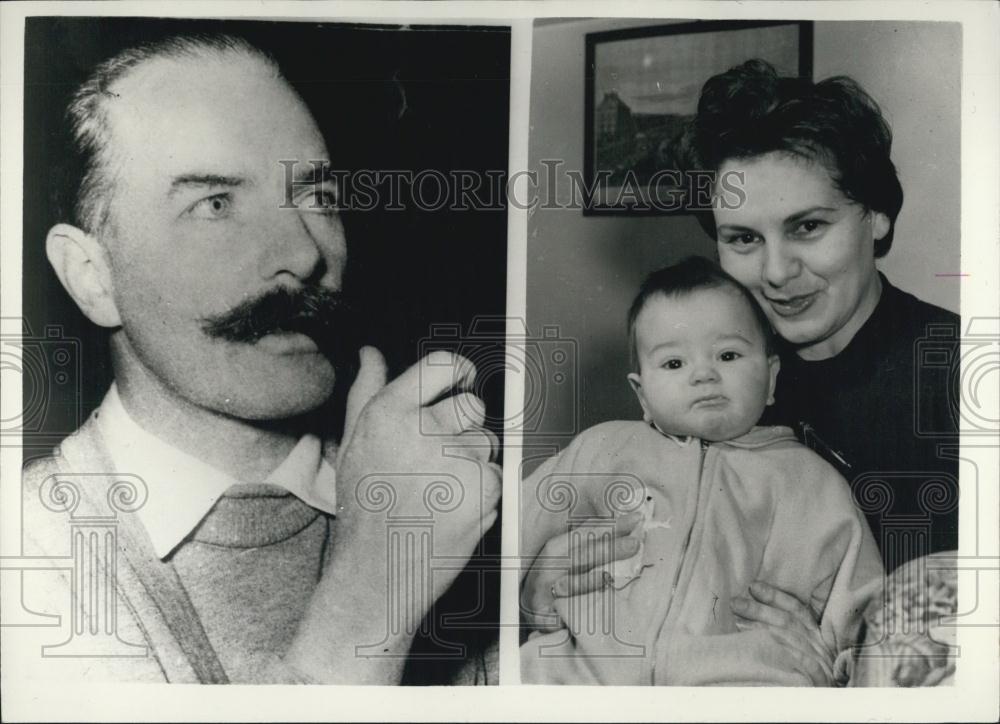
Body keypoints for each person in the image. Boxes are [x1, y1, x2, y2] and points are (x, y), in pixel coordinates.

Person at [18, 33, 500, 684]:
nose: (304, 254)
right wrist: (381, 580)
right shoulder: (29, 551)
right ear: (91, 276)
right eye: (215, 205)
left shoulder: (455, 506)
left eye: (317, 197)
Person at [523, 59, 960, 686]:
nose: (777, 272)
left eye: (807, 227)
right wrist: (535, 592)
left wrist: (844, 668)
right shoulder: (710, 384)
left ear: (878, 217)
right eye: (743, 239)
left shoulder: (960, 372)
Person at [519, 257, 883, 685]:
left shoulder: (811, 482)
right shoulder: (602, 449)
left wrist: (836, 669)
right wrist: (520, 604)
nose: (704, 374)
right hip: (582, 670)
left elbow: (867, 609)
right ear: (643, 394)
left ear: (770, 379)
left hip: (741, 683)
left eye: (727, 355)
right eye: (674, 363)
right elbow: (511, 532)